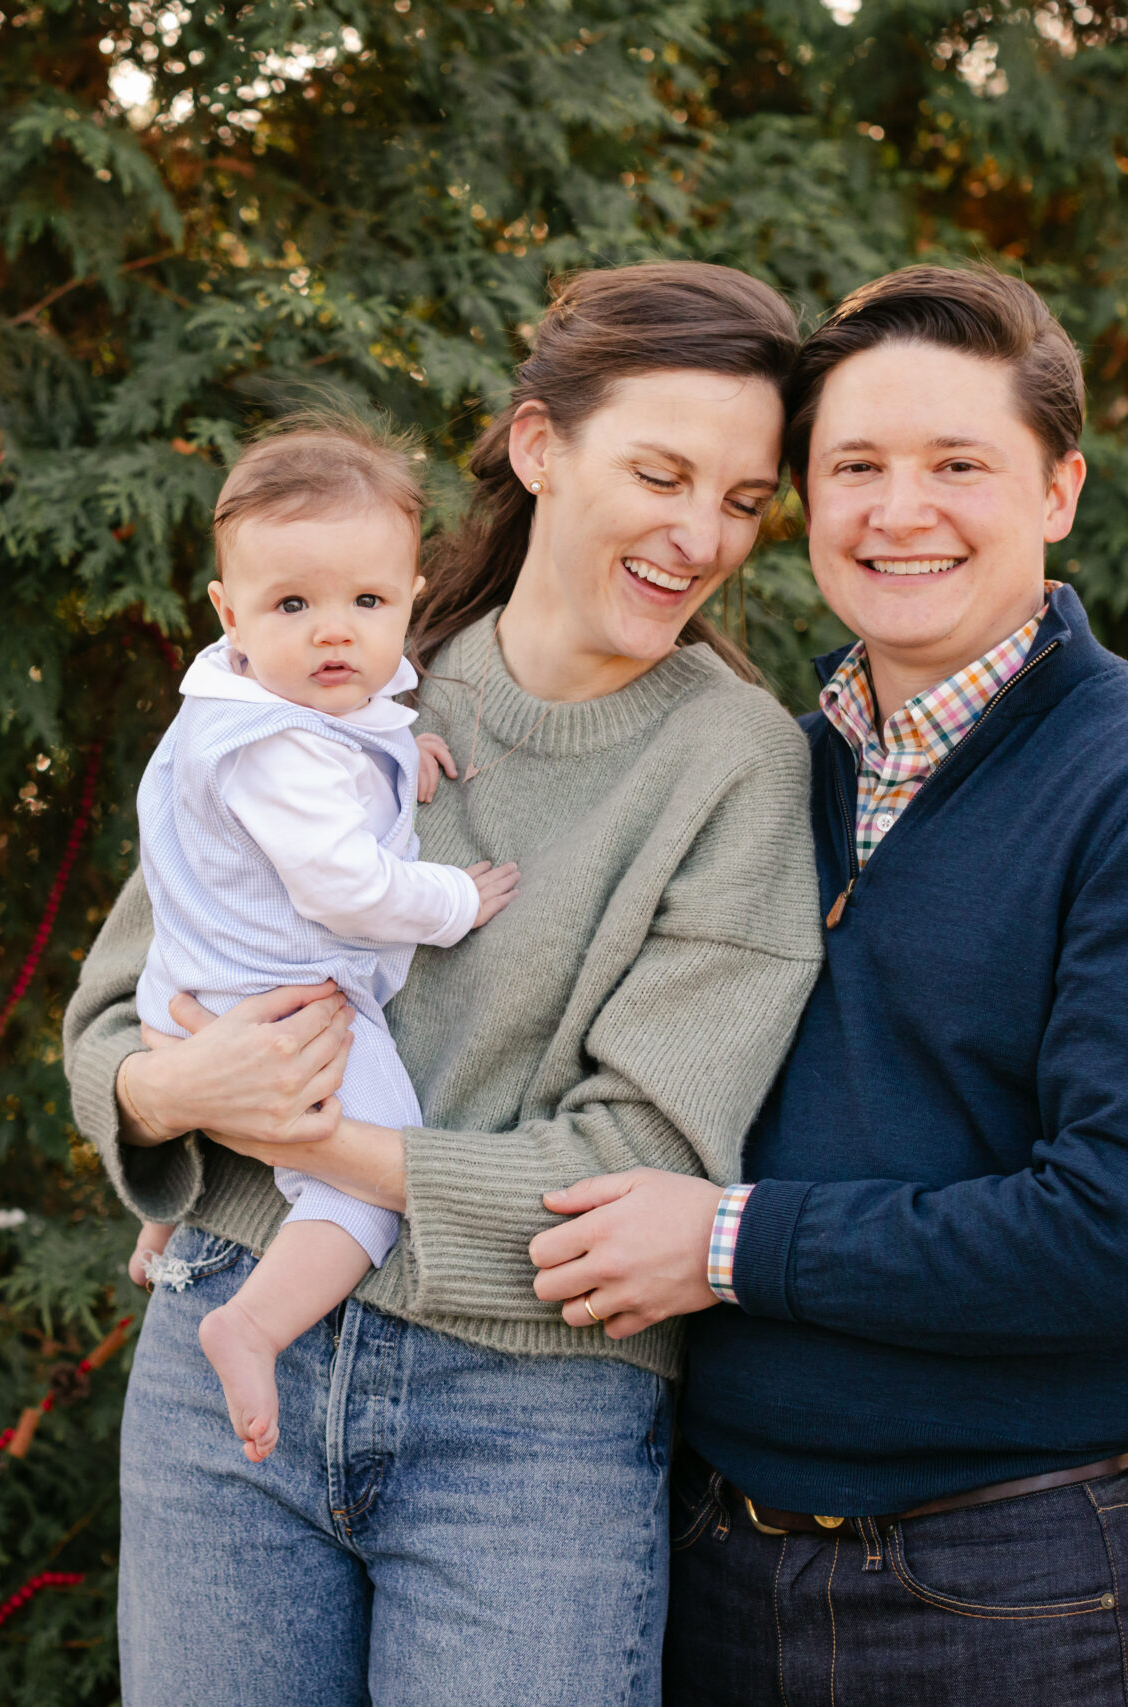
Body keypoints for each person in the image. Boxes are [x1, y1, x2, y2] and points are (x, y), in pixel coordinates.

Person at [526, 265, 1128, 1706]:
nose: (900, 511)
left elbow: (1122, 1237)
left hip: (1005, 1592)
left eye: (960, 464)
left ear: (1060, 488)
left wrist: (728, 1244)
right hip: (702, 1564)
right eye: (856, 467)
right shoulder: (764, 766)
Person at [63, 261, 821, 1705]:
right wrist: (170, 1086)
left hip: (532, 1409)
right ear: (540, 447)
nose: (699, 532)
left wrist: (310, 1140)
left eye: (740, 499)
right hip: (229, 1360)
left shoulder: (735, 764)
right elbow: (115, 1020)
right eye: (660, 473)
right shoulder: (322, 666)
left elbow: (645, 1163)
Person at [122, 418, 521, 1465]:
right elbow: (344, 885)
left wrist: (397, 744)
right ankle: (249, 1323)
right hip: (287, 999)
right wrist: (451, 901)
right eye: (293, 605)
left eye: (368, 603)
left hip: (194, 986)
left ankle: (166, 1222)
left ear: (409, 597)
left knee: (242, 1124)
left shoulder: (265, 698)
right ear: (228, 611)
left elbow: (346, 732)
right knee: (361, 1181)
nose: (334, 634)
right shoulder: (276, 749)